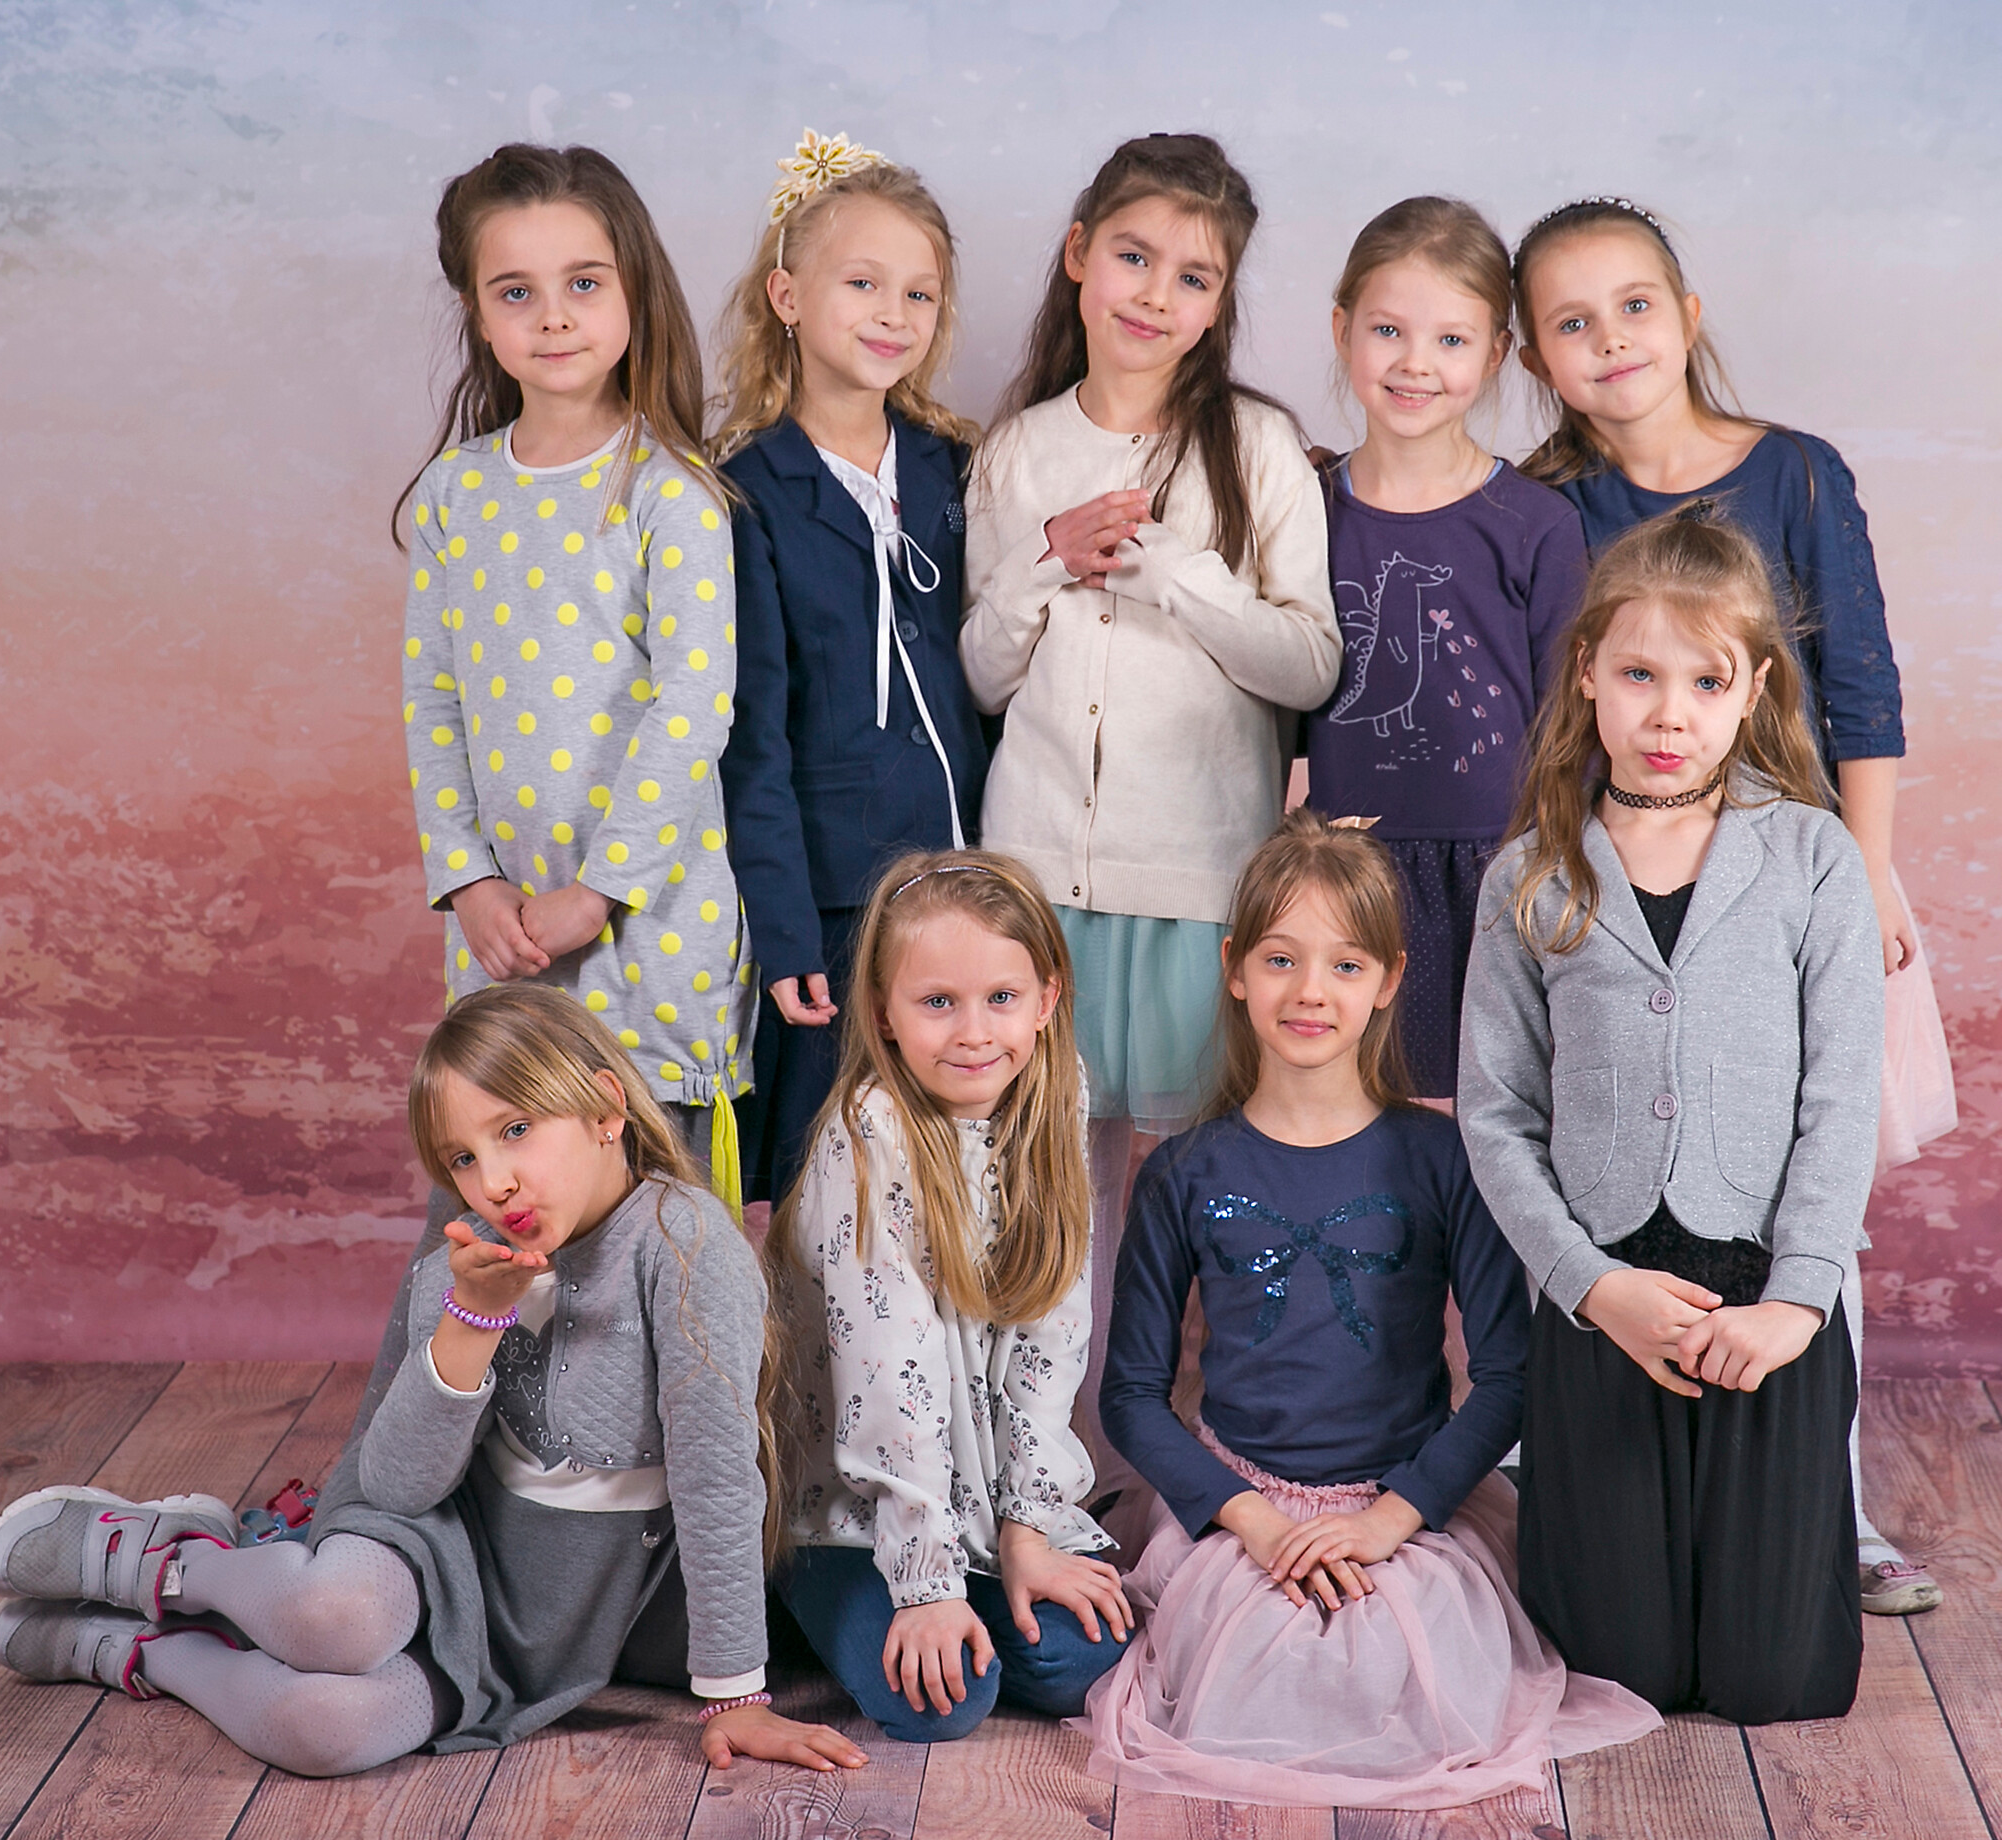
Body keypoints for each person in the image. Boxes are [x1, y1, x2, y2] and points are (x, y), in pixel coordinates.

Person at [0, 984, 862, 1778]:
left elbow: (717, 1476)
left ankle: (134, 1649)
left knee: (323, 1730)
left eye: (515, 1130)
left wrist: (737, 1695)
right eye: (462, 1160)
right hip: (436, 1533)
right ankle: (172, 1561)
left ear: (605, 1108)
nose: (494, 1182)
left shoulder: (683, 1246)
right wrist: (472, 1320)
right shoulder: (465, 1262)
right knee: (337, 1621)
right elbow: (400, 1486)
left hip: (546, 1627)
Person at [1512, 194, 1953, 1614]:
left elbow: (1861, 686)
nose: (1609, 339)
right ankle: (1584, 1480)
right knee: (1604, 1168)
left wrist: (1865, 871)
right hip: (1626, 884)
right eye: (1570, 322)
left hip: (1800, 889)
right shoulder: (1551, 507)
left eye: (1634, 305)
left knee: (1812, 1199)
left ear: (1688, 315)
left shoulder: (1796, 476)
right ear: (1533, 356)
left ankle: (1835, 1515)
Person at [1085, 811, 1656, 1808]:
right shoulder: (1182, 1170)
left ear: (1388, 980)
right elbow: (1130, 1395)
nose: (1310, 990)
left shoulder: (1442, 1159)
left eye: (1344, 965)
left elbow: (1509, 1376)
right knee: (1249, 1681)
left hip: (1406, 1506)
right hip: (1239, 1508)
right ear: (1233, 967)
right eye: (1280, 958)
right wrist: (1254, 1523)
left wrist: (1390, 1519)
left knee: (1405, 1674)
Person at [1459, 510, 1882, 1721]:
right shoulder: (1529, 873)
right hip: (1602, 1303)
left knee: (1770, 1679)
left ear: (1753, 689)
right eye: (1638, 674)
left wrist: (1796, 1300)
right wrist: (1589, 1285)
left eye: (1704, 681)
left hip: (1763, 1302)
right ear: (1585, 671)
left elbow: (1839, 1095)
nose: (1666, 713)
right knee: (1616, 1677)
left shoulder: (1810, 856)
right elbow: (1494, 1114)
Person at [960, 131, 1342, 1470]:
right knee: (1052, 1201)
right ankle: (1055, 1463)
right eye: (1133, 256)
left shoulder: (1256, 446)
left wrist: (1177, 570)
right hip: (1038, 884)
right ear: (1079, 255)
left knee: (1205, 1195)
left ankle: (1213, 1461)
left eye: (1194, 275)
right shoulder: (1016, 451)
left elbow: (1307, 664)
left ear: (1219, 299)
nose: (1155, 294)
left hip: (1195, 884)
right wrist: (1046, 564)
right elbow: (982, 673)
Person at [395, 143, 755, 1211]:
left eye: (584, 283)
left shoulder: (670, 493)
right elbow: (433, 703)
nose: (553, 318)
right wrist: (468, 881)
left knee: (658, 1236)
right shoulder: (454, 495)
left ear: (633, 291)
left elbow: (693, 710)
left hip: (651, 937)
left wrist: (598, 891)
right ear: (479, 313)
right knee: (501, 1227)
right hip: (503, 940)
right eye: (517, 291)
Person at [767, 851, 1132, 1741]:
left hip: (985, 1496)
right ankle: (811, 1593)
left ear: (1046, 1001)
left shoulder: (1053, 1100)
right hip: (858, 1504)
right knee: (943, 1702)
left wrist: (1027, 1529)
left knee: (1079, 1660)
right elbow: (889, 1377)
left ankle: (981, 1574)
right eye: (937, 1002)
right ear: (883, 1015)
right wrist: (926, 1584)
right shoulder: (871, 1133)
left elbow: (1054, 1332)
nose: (974, 1033)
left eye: (1001, 998)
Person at [715, 131, 988, 1203]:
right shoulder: (746, 494)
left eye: (919, 293)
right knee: (831, 1180)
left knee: (956, 1170)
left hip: (965, 884)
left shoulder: (954, 467)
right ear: (786, 295)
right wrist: (784, 929)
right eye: (863, 283)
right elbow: (752, 742)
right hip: (836, 902)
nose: (893, 313)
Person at [1306, 196, 1586, 1098]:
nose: (1415, 363)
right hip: (1349, 880)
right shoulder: (1302, 512)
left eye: (1452, 340)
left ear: (1496, 352)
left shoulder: (1536, 525)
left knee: (1501, 1116)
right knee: (1359, 1112)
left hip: (1503, 873)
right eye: (1388, 330)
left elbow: (1574, 726)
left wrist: (1565, 871)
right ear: (1343, 329)